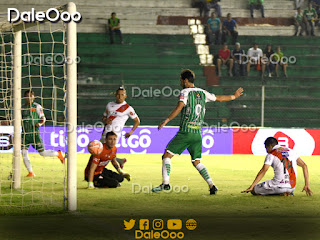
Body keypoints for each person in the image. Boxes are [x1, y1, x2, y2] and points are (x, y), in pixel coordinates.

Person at [151, 69, 244, 195]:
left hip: (186, 132)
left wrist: (166, 120)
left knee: (166, 156)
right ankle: (212, 185)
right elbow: (220, 99)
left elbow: (179, 107)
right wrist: (234, 96)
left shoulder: (185, 92)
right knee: (196, 162)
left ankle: (165, 184)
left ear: (185, 80)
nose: (180, 83)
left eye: (181, 80)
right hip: (197, 134)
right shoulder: (203, 93)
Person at [242, 137, 313, 196]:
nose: (266, 151)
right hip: (291, 187)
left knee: (254, 190)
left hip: (278, 186)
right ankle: (287, 193)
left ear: (270, 146)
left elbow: (263, 171)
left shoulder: (271, 155)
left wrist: (252, 186)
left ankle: (279, 193)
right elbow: (304, 166)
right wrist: (307, 185)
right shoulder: (291, 151)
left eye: (266, 148)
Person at [22, 90, 65, 177]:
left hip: (34, 133)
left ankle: (58, 154)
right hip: (24, 134)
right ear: (25, 97)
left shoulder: (37, 107)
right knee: (23, 152)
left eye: (31, 96)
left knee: (42, 153)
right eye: (27, 96)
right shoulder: (22, 108)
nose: (29, 98)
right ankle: (30, 172)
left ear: (33, 97)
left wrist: (40, 124)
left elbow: (43, 118)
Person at [100, 87, 140, 168]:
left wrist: (131, 132)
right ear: (115, 95)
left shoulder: (128, 108)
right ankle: (120, 162)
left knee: (103, 153)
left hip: (115, 134)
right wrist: (106, 120)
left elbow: (137, 121)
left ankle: (99, 171)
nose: (120, 96)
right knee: (101, 151)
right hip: (106, 132)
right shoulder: (109, 105)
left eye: (122, 95)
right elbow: (103, 117)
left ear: (125, 96)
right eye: (118, 94)